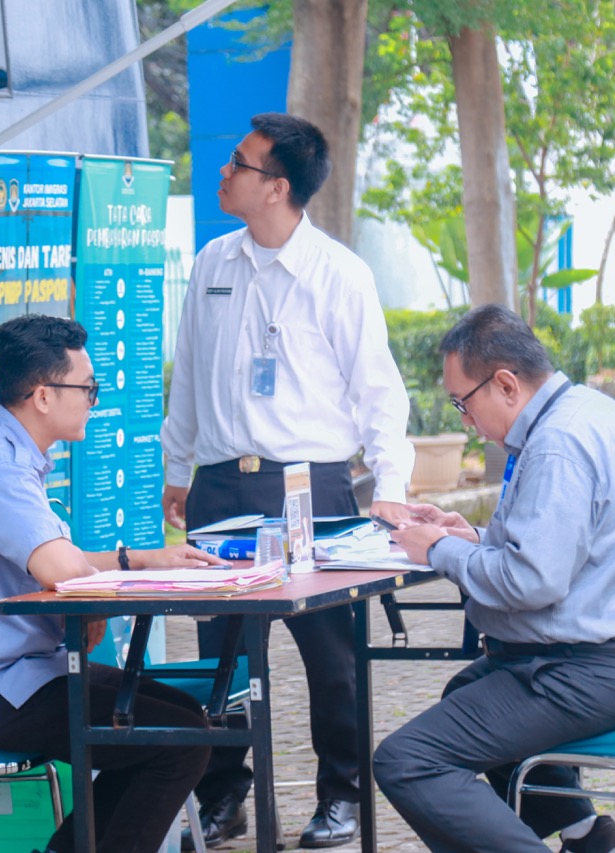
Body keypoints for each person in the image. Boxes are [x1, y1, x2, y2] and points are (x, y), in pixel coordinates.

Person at [160, 112, 415, 849]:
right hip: (218, 487)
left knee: (331, 655)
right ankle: (223, 795)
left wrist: (391, 486)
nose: (223, 171)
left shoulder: (340, 274)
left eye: (239, 163)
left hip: (309, 489)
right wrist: (179, 467)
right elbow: (189, 376)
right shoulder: (212, 262)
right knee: (221, 656)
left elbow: (379, 392)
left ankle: (343, 796)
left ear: (276, 187)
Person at [0, 314, 222, 853]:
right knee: (176, 741)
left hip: (30, 672)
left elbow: (65, 562)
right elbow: (66, 572)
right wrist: (97, 597)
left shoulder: (11, 456)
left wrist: (143, 560)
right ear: (42, 396)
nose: (93, 401)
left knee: (184, 724)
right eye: (87, 389)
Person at [376, 304, 615, 853]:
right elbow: (559, 545)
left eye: (463, 403)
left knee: (408, 760)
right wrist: (471, 537)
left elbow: (531, 582)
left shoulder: (557, 446)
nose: (465, 422)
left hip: (589, 672)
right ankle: (590, 838)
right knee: (468, 692)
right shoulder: (589, 409)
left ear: (506, 384)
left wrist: (438, 549)